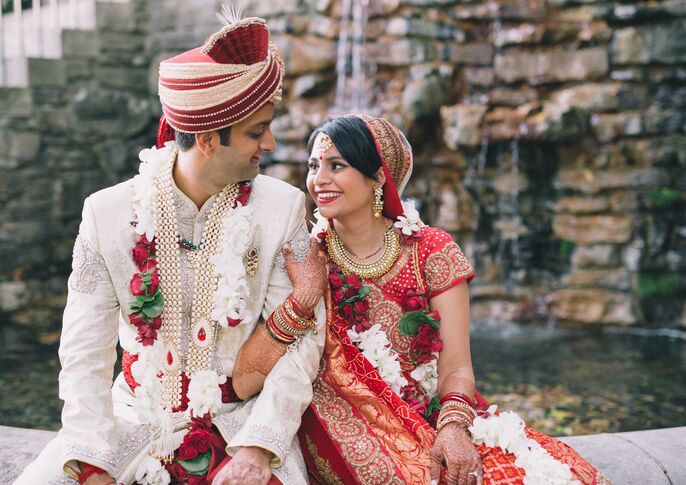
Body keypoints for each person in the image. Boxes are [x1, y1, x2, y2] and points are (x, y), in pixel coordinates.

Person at [14, 14, 327, 485]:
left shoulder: (281, 208)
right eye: (255, 131)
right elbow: (83, 354)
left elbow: (304, 343)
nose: (271, 142)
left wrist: (260, 448)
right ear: (205, 139)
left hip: (239, 423)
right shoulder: (107, 213)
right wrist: (93, 461)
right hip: (130, 423)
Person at [234, 114, 610, 484]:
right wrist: (303, 297)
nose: (319, 180)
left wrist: (452, 427)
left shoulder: (431, 250)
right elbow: (246, 378)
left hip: (434, 412)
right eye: (314, 166)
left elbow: (457, 368)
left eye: (337, 165)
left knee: (539, 475)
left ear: (378, 176)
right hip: (348, 427)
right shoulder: (305, 257)